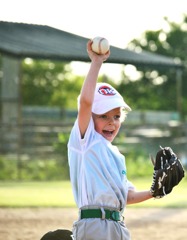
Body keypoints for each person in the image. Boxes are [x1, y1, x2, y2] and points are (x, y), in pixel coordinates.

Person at [67, 40, 153, 240]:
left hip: (118, 225)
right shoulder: (85, 142)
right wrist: (97, 62)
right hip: (93, 225)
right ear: (91, 119)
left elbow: (127, 196)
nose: (111, 123)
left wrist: (154, 191)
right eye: (103, 116)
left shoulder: (116, 155)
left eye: (116, 117)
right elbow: (86, 102)